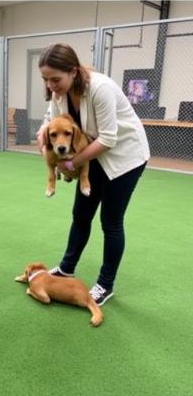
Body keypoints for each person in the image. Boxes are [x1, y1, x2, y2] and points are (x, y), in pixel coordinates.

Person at [36, 43, 150, 306]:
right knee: (81, 214)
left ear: (73, 72)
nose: (51, 85)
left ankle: (105, 284)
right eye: (45, 79)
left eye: (56, 79)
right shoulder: (58, 94)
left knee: (110, 222)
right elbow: (51, 122)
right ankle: (67, 267)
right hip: (93, 154)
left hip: (124, 157)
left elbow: (109, 138)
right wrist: (43, 138)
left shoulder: (101, 89)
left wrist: (71, 162)